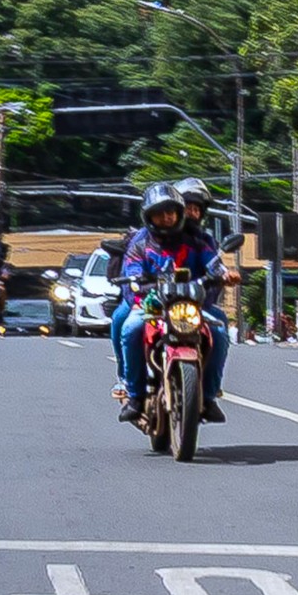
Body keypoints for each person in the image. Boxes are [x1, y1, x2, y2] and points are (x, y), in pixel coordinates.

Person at [117, 180, 237, 423]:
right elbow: (131, 272)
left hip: (190, 306)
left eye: (170, 212)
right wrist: (138, 284)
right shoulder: (139, 244)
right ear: (149, 217)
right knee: (131, 328)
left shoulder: (196, 240)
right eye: (159, 214)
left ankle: (209, 396)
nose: (166, 218)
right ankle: (135, 396)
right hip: (152, 306)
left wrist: (225, 274)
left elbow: (213, 264)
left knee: (220, 333)